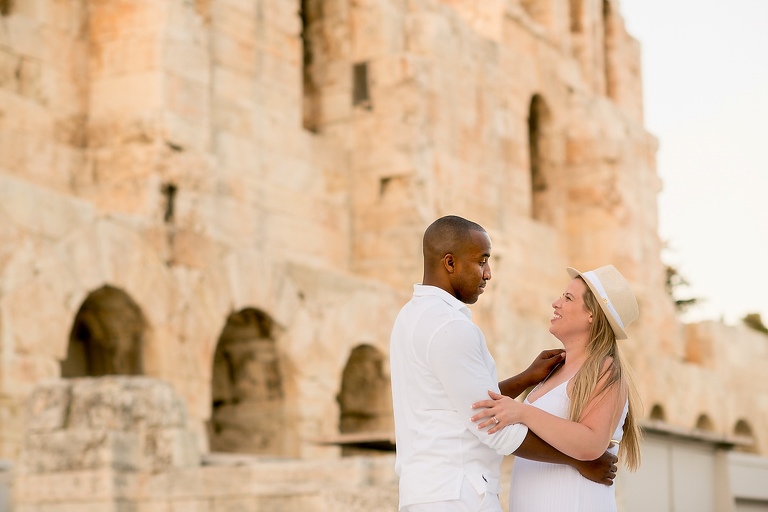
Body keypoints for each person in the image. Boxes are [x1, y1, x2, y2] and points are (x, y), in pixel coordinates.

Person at [390, 215, 618, 512]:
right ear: (450, 263)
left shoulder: (410, 317)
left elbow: (463, 404)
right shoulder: (451, 328)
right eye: (482, 261)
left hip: (428, 493)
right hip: (458, 494)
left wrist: (524, 379)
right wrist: (579, 460)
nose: (488, 274)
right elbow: (490, 424)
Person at [471, 264, 642, 511]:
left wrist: (522, 412)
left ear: (592, 315)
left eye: (568, 297)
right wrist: (527, 379)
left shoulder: (604, 369)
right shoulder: (551, 372)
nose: (555, 303)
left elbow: (592, 444)